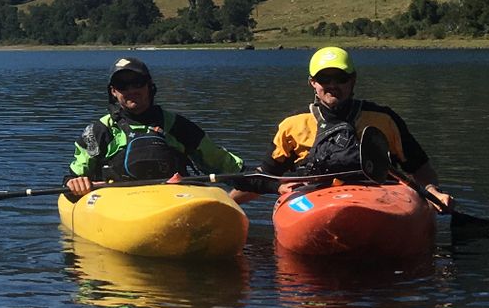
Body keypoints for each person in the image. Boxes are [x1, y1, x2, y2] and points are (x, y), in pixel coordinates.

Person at [260, 46, 450, 207]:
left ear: (353, 80)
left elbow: (420, 168)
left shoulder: (383, 119)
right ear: (313, 83)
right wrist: (272, 188)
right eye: (325, 79)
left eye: (340, 78)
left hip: (380, 198)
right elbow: (263, 176)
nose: (333, 85)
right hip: (314, 201)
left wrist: (434, 192)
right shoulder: (293, 125)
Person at [64, 57, 248, 199]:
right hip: (116, 203)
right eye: (122, 85)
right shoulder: (99, 131)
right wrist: (75, 184)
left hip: (174, 201)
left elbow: (224, 164)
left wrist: (260, 178)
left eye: (137, 82)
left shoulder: (178, 126)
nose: (131, 90)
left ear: (149, 85)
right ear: (113, 91)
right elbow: (74, 176)